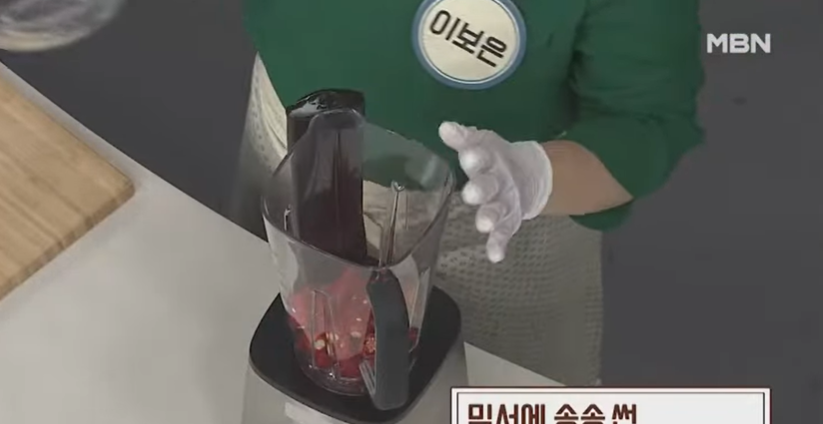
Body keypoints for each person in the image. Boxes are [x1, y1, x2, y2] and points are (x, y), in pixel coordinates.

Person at [233, 0, 704, 385]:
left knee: (506, 421)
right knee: (247, 363)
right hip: (293, 144)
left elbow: (643, 121)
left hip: (495, 213)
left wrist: (535, 178)